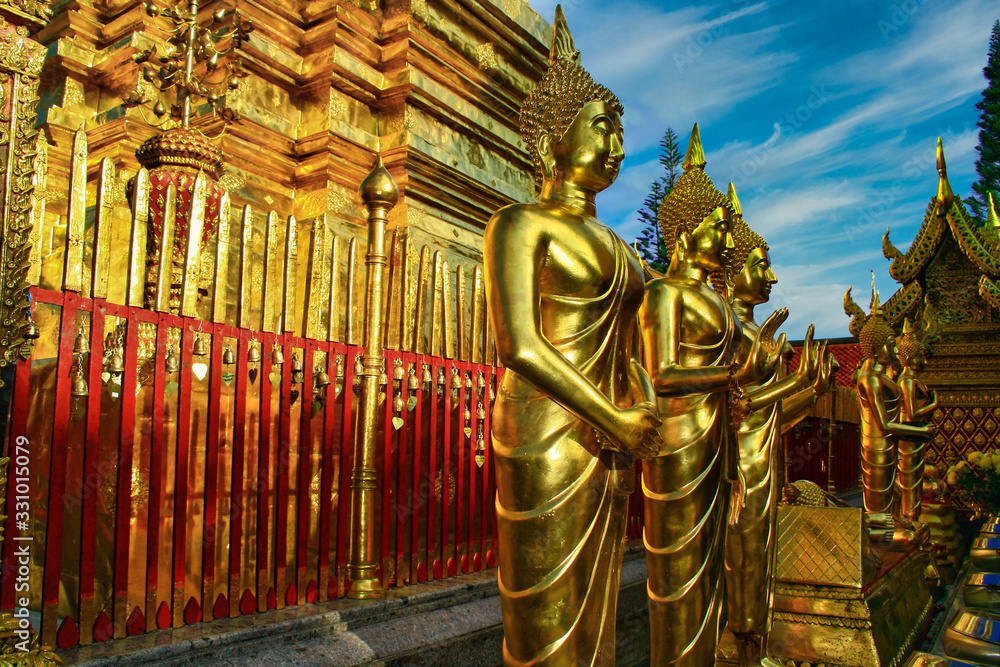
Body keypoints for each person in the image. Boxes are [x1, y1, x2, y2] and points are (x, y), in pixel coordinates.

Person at [483, 6, 661, 665]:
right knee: (545, 619)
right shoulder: (520, 223)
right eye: (600, 126)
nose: (616, 143)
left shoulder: (622, 248)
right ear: (554, 138)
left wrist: (638, 404)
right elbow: (520, 345)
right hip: (545, 429)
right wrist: (612, 412)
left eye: (619, 129)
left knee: (598, 613)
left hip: (607, 436)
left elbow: (635, 340)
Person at [639, 124, 783, 666]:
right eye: (717, 228)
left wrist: (760, 377)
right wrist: (730, 376)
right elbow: (662, 375)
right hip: (677, 449)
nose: (727, 240)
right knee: (677, 577)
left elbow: (740, 376)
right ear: (683, 232)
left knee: (712, 578)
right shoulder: (664, 293)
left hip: (718, 446)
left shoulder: (720, 307)